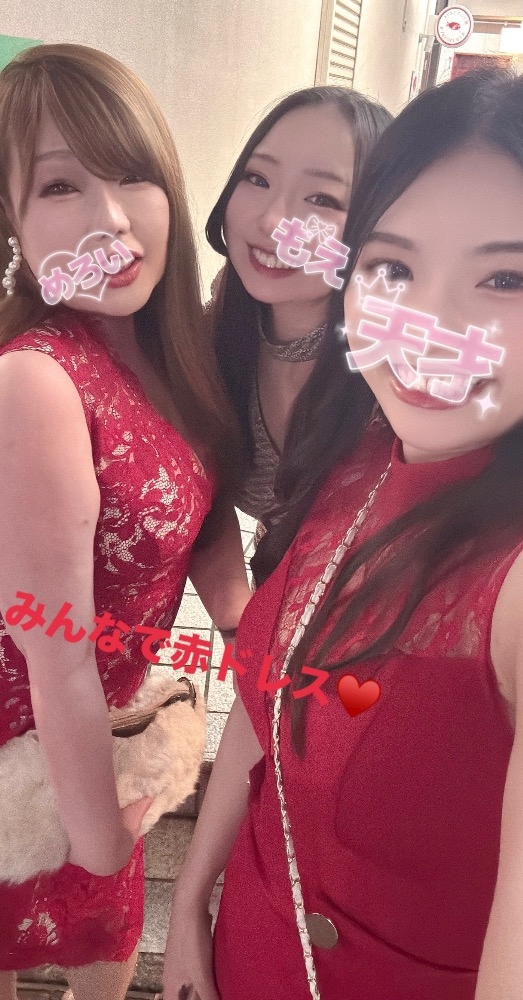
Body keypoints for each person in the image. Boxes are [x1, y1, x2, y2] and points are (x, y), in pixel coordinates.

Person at [163, 68, 523, 1000]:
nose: (429, 328)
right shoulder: (355, 452)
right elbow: (266, 695)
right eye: (393, 268)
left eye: (505, 277)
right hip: (241, 945)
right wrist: (191, 904)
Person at [0, 43, 250, 1000]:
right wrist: (102, 842)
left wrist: (253, 633)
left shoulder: (171, 350)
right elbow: (53, 649)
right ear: (15, 221)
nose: (110, 218)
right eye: (61, 185)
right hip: (27, 751)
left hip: (109, 733)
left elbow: (201, 512)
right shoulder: (37, 379)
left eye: (132, 175)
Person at [206, 86, 391, 524]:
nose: (273, 221)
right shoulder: (219, 321)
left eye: (322, 200)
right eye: (258, 178)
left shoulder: (394, 377)